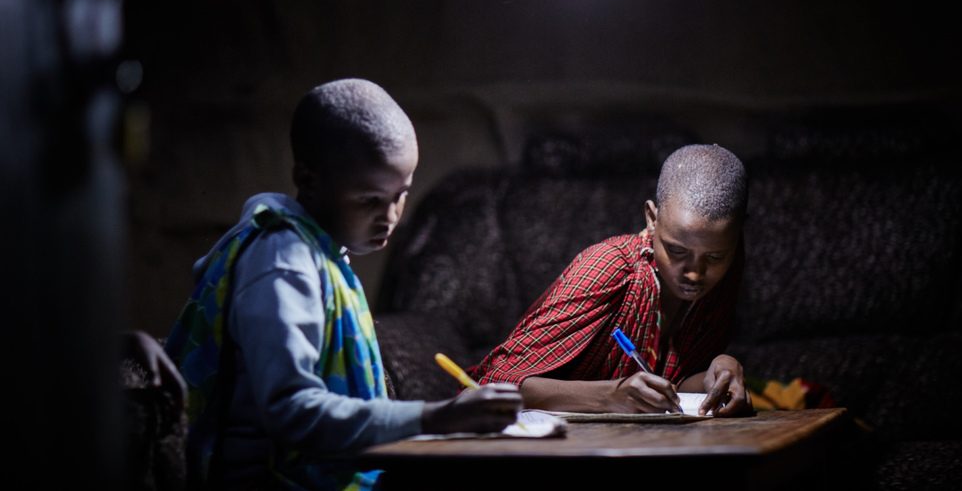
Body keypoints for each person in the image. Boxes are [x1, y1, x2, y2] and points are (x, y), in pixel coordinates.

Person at [165, 79, 522, 490]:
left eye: (400, 194)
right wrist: (435, 417)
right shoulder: (284, 264)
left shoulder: (320, 251)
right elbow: (291, 411)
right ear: (309, 179)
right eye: (369, 199)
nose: (390, 216)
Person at [471, 144, 752, 418]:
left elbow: (672, 384)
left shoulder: (727, 272)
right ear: (652, 219)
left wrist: (717, 372)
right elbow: (488, 385)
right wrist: (609, 396)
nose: (694, 273)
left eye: (714, 257)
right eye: (677, 251)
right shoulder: (610, 269)